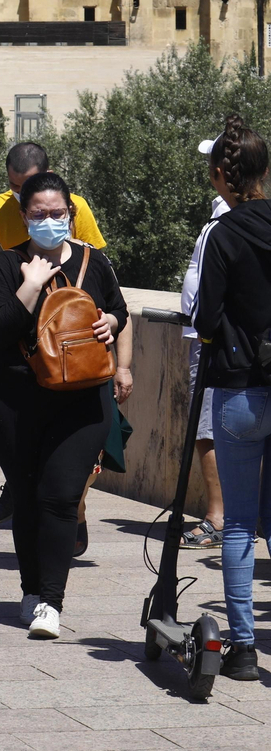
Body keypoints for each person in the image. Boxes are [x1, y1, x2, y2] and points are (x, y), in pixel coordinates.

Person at [0, 171, 127, 640]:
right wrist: (30, 285)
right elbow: (0, 329)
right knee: (26, 495)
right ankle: (30, 590)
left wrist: (109, 322)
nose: (49, 221)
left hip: (81, 401)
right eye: (38, 214)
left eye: (57, 213)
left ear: (71, 214)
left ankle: (51, 601)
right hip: (15, 401)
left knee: (61, 497)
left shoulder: (94, 262)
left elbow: (120, 310)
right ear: (24, 216)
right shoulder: (5, 266)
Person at [0, 142, 107, 524]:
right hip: (14, 324)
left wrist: (112, 330)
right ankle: (15, 487)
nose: (20, 193)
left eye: (56, 214)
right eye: (15, 188)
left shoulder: (75, 206)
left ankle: (74, 513)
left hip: (67, 341)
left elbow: (97, 266)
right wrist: (11, 272)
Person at [191, 114, 271, 682]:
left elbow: (206, 318)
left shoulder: (222, 235)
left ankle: (242, 649)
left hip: (241, 390)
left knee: (239, 523)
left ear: (221, 175)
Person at [178, 159, 233, 550]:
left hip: (213, 339)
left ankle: (219, 518)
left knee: (207, 430)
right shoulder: (224, 212)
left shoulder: (228, 219)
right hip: (208, 335)